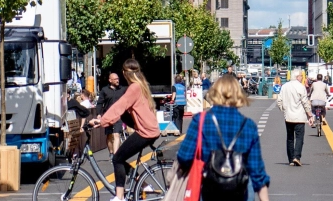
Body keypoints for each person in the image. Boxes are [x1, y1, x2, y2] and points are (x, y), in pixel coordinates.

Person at [177, 74, 270, 201]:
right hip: (240, 190)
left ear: (214, 93)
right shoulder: (248, 126)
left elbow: (184, 156)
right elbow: (257, 171)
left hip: (208, 188)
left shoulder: (201, 121)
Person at [89, 59, 160, 201]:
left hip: (145, 132)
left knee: (117, 159)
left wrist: (102, 120)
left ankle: (120, 197)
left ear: (125, 73)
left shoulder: (134, 88)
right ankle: (144, 184)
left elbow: (119, 105)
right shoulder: (141, 86)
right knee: (121, 158)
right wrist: (107, 120)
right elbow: (123, 111)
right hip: (149, 130)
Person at [277, 69, 314, 166]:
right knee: (299, 137)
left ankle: (290, 159)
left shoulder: (284, 86)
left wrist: (284, 110)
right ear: (297, 77)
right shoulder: (301, 87)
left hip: (288, 116)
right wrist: (309, 115)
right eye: (301, 76)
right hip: (299, 117)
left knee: (290, 138)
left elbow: (279, 101)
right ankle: (296, 157)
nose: (302, 77)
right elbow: (305, 102)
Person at [96, 73, 127, 160]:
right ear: (110, 80)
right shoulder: (104, 90)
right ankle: (111, 152)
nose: (117, 80)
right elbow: (100, 103)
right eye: (115, 79)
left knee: (116, 135)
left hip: (118, 116)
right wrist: (99, 113)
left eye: (118, 78)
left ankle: (116, 156)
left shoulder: (122, 90)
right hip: (108, 116)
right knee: (109, 136)